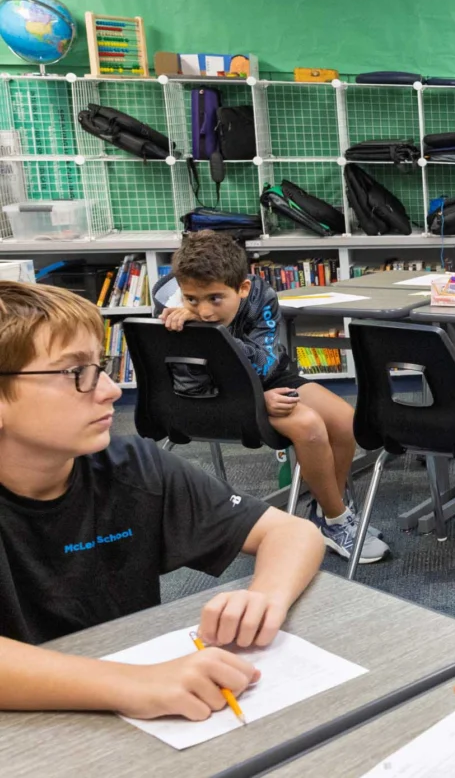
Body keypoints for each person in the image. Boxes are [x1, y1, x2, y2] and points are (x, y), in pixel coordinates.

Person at [0, 280, 323, 718]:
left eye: (102, 366)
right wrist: (131, 684)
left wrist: (265, 597)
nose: (112, 391)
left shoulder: (131, 467)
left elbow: (293, 532)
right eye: (76, 373)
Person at [155, 230, 389, 563]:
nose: (203, 311)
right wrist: (254, 401)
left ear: (243, 288)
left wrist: (217, 339)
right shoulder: (172, 309)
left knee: (344, 421)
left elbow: (265, 363)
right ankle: (336, 522)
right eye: (192, 299)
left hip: (266, 377)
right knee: (308, 427)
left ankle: (326, 512)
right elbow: (188, 385)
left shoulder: (261, 295)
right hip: (211, 396)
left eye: (215, 299)